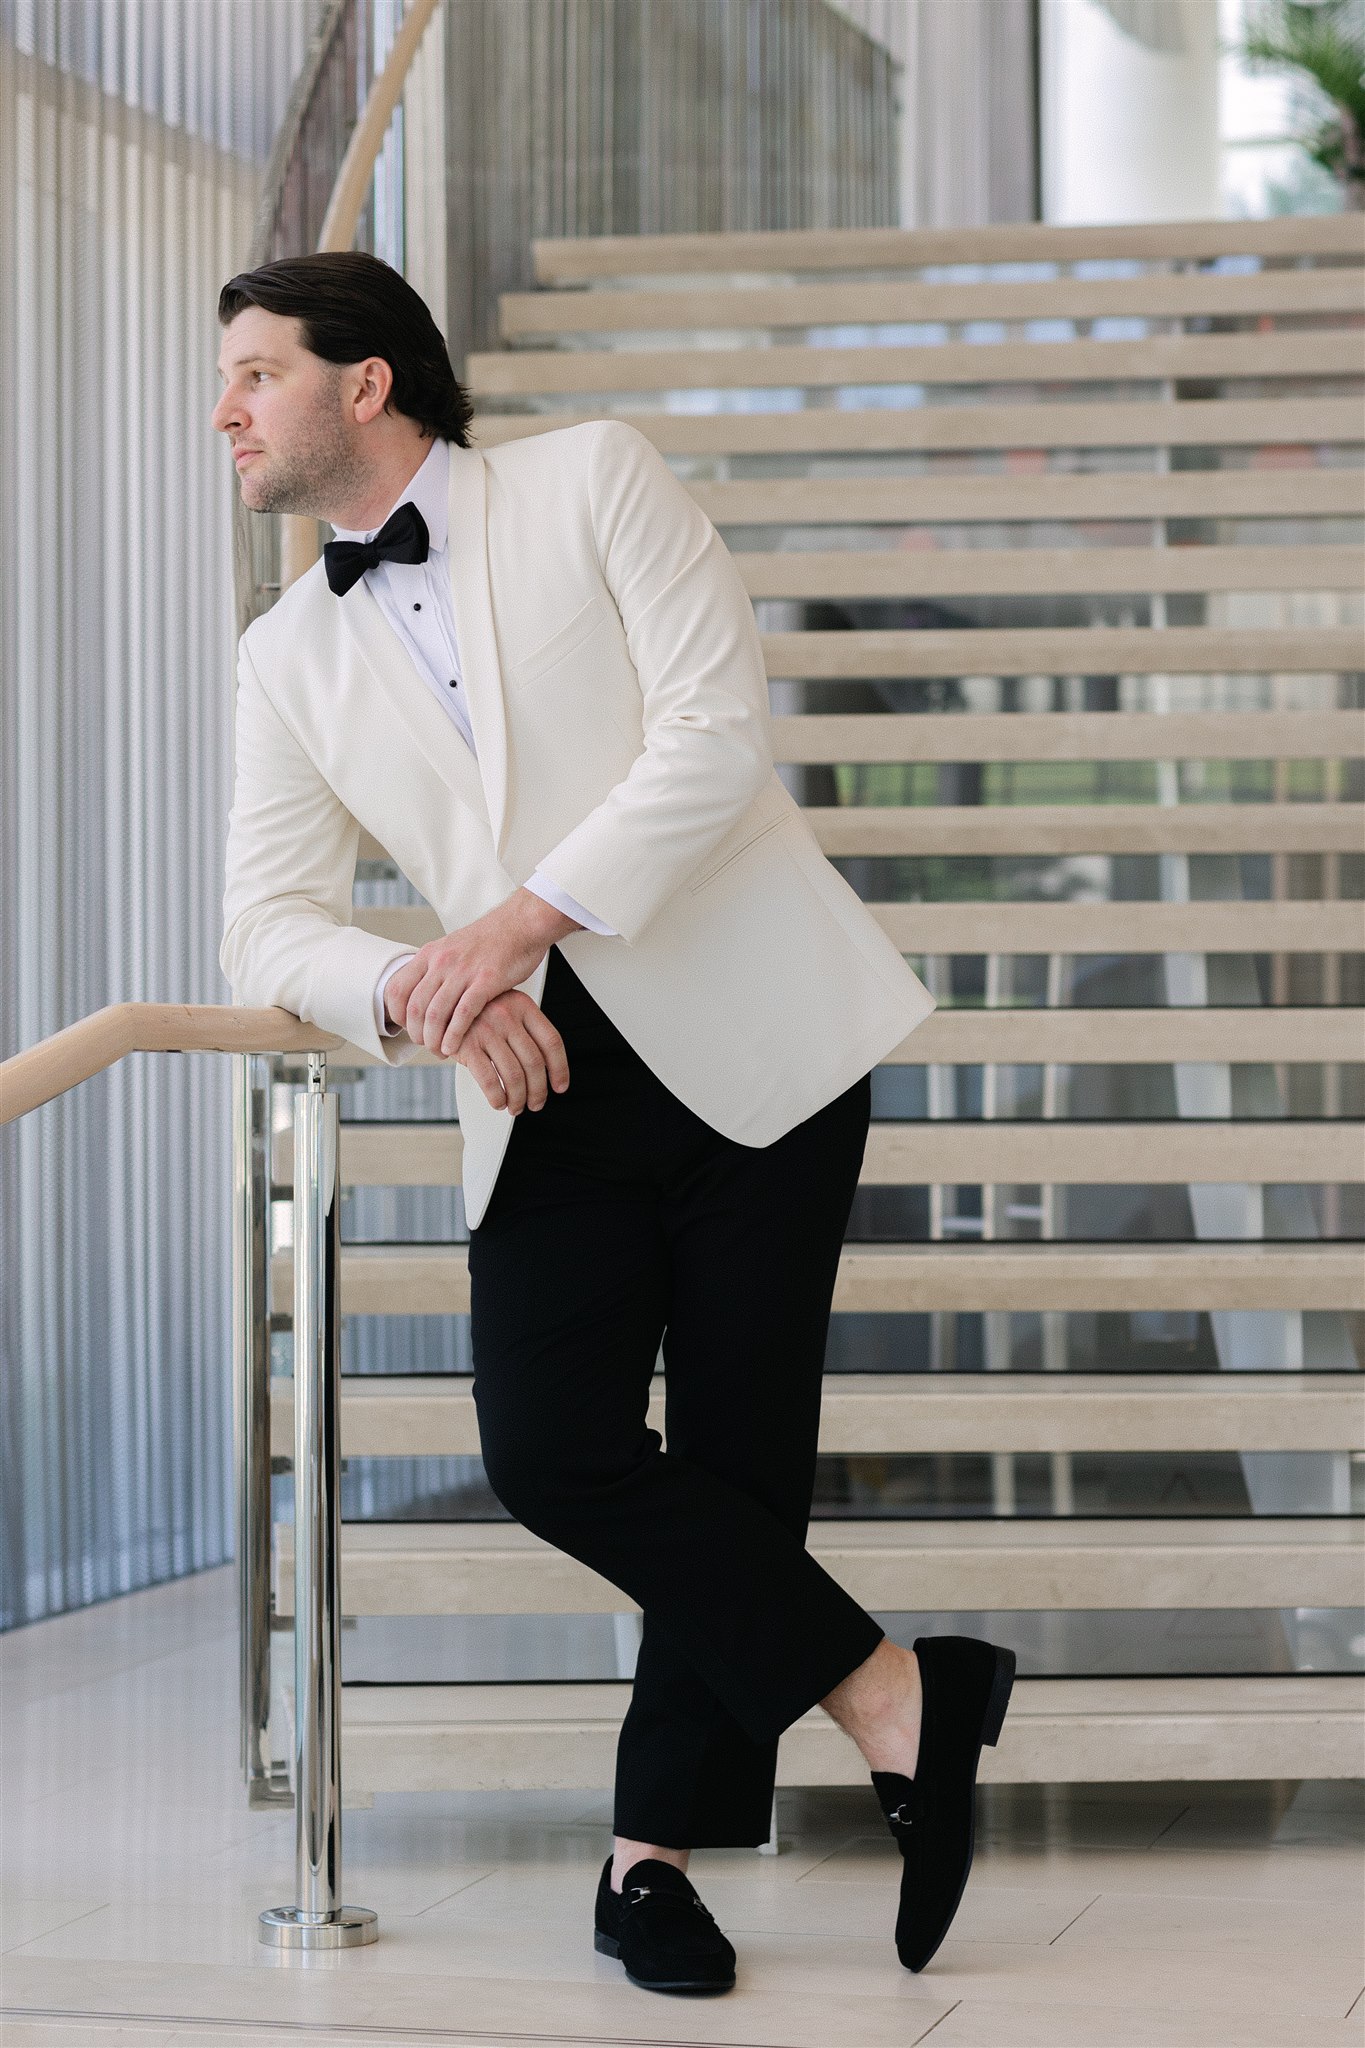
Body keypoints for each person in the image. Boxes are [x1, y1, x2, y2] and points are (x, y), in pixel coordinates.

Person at [214, 249, 1015, 1993]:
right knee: (552, 1447)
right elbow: (265, 925)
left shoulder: (592, 477)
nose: (227, 411)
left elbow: (717, 738)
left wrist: (519, 921)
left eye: (255, 373)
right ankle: (899, 1693)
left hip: (756, 1045)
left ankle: (648, 1863)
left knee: (734, 1464)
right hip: (535, 1081)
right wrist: (438, 987)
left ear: (365, 383)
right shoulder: (284, 653)